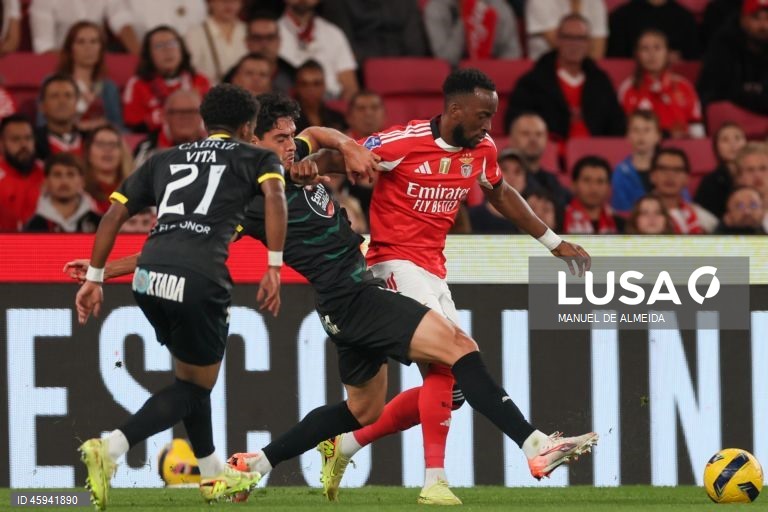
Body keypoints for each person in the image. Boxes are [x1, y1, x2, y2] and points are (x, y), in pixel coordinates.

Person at [301, 68, 594, 505]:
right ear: (454, 109)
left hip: (433, 269)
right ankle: (442, 477)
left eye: (492, 117)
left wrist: (552, 242)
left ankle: (344, 445)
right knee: (449, 361)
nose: (487, 126)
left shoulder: (482, 149)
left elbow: (499, 192)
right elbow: (339, 158)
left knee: (454, 391)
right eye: (481, 116)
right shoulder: (402, 142)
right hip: (392, 263)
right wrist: (304, 167)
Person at [72, 84, 287, 509]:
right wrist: (275, 266)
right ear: (249, 127)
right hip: (201, 277)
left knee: (191, 380)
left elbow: (114, 212)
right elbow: (276, 197)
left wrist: (95, 277)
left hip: (149, 276)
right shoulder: (259, 157)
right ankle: (111, 448)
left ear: (206, 123)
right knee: (194, 388)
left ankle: (211, 476)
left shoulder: (164, 158)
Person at [505, 14, 625, 142]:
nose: (574, 44)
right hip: (547, 154)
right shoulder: (532, 82)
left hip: (597, 156)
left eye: (580, 38)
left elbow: (617, 125)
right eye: (568, 37)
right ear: (558, 39)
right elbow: (515, 123)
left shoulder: (601, 82)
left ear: (589, 43)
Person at [617, 29, 704, 139]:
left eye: (657, 48)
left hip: (681, 149)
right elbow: (623, 132)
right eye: (645, 49)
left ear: (667, 53)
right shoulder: (628, 89)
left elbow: (697, 129)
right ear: (637, 54)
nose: (651, 54)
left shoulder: (684, 86)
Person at [123, 25, 211, 133]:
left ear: (182, 49)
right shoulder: (137, 84)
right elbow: (133, 127)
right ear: (149, 54)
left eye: (172, 43)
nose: (167, 50)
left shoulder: (200, 81)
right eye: (159, 46)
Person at [278, 0, 359, 100]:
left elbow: (350, 86)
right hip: (287, 105)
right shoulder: (269, 34)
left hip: (331, 103)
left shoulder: (333, 33)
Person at [697, 0, 768, 115]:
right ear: (743, 20)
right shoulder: (723, 47)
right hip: (729, 122)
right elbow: (713, 94)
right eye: (756, 18)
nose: (764, 25)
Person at [55, 21, 124, 131]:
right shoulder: (55, 84)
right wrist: (77, 127)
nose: (88, 48)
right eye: (81, 42)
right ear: (70, 48)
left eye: (94, 42)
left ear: (101, 48)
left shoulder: (108, 88)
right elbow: (44, 126)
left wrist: (104, 125)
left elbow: (118, 128)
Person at [320, 0, 429, 63]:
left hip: (403, 67)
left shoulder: (406, 2)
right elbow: (343, 45)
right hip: (361, 67)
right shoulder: (339, 2)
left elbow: (415, 45)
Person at [423, 0, 522, 65]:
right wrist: (467, 18)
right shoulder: (437, 9)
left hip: (493, 78)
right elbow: (445, 60)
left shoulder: (498, 7)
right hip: (454, 81)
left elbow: (512, 55)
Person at [24, 152, 101, 232]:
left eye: (70, 174)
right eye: (57, 175)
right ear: (46, 181)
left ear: (82, 181)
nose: (64, 181)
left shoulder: (99, 223)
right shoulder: (33, 226)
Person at [507, 112, 570, 207]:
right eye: (525, 134)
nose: (533, 139)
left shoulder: (552, 182)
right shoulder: (502, 178)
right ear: (512, 139)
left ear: (546, 140)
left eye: (539, 134)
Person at [29, 0, 139, 54]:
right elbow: (43, 47)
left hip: (99, 58)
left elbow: (122, 22)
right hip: (61, 60)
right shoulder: (42, 1)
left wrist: (141, 58)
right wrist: (79, 60)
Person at [649, 147, 717, 233]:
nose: (670, 175)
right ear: (652, 176)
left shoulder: (699, 216)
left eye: (677, 170)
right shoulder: (640, 215)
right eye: (663, 169)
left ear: (687, 179)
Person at [607, 0, 699, 60]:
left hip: (676, 80)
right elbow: (615, 59)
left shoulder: (685, 18)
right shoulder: (621, 17)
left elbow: (694, 59)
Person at [133, 90, 205, 167]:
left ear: (201, 116)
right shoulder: (147, 149)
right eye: (178, 112)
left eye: (191, 112)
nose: (185, 118)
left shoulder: (215, 147)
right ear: (166, 116)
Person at [611, 110, 662, 215]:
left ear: (658, 136)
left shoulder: (669, 168)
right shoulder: (620, 172)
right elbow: (621, 210)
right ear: (628, 136)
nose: (641, 135)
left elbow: (682, 204)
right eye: (635, 130)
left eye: (647, 130)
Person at [185, 0, 248, 84]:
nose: (229, 4)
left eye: (234, 1)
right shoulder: (194, 33)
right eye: (222, 1)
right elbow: (191, 70)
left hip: (246, 93)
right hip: (209, 92)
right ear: (210, 3)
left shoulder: (248, 30)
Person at [0, 115, 45, 231]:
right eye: (15, 139)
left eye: (28, 138)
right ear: (1, 144)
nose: (23, 144)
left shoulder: (49, 173)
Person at [695, 122, 748, 218]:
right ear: (716, 147)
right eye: (725, 140)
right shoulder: (709, 182)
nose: (733, 144)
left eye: (737, 138)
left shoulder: (758, 175)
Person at [526, 0, 608, 61]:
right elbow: (566, 47)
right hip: (545, 69)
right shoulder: (539, 2)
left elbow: (598, 51)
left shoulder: (596, 2)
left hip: (586, 70)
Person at [562, 156, 623, 234]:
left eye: (600, 181)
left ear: (609, 187)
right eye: (587, 180)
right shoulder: (559, 219)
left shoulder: (620, 224)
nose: (594, 188)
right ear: (573, 185)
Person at [84, 124, 133, 214]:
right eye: (100, 144)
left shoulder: (135, 191)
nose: (107, 150)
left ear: (122, 153)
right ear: (88, 153)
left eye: (113, 145)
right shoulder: (80, 191)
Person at [35, 74, 84, 160]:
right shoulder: (32, 142)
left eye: (68, 96)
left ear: (76, 104)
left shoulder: (90, 141)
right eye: (54, 96)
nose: (62, 102)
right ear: (42, 106)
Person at [245, 12, 295, 95]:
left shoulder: (294, 77)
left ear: (279, 41)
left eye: (270, 37)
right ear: (247, 42)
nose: (264, 44)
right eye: (257, 38)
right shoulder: (233, 76)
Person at [293, 60, 347, 133]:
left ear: (324, 86)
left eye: (316, 84)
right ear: (297, 87)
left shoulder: (337, 119)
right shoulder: (289, 121)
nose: (310, 90)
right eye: (304, 84)